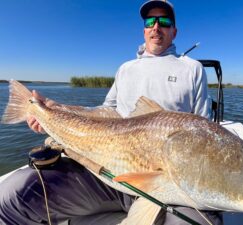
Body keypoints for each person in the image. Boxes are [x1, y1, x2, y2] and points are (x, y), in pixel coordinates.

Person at [0, 1, 221, 225]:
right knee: (11, 195)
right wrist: (53, 109)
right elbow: (106, 112)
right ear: (144, 30)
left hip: (170, 182)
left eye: (164, 21)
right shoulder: (125, 69)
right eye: (150, 21)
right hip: (107, 171)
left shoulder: (191, 68)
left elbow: (203, 130)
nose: (156, 27)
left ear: (174, 31)